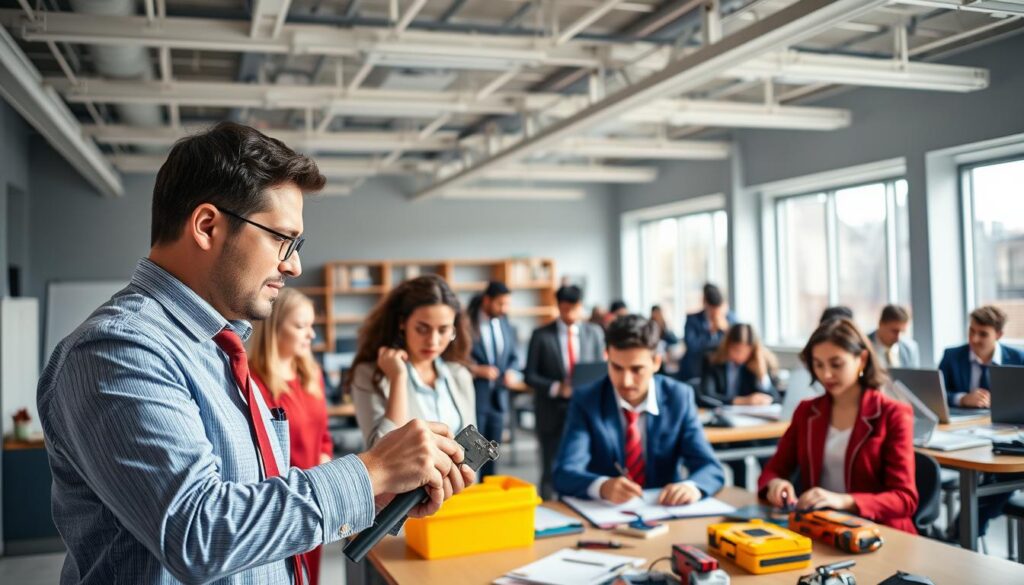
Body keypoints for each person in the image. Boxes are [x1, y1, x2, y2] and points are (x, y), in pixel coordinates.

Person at [36, 122, 473, 584]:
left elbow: (254, 513)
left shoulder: (219, 348)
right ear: (207, 226)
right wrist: (373, 470)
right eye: (281, 238)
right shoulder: (120, 350)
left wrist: (378, 492)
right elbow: (199, 534)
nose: (294, 264)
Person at [758, 319, 918, 533]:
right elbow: (773, 469)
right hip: (822, 528)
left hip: (879, 532)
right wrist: (775, 484)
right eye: (818, 364)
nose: (826, 375)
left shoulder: (893, 413)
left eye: (836, 364)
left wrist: (845, 501)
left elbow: (904, 498)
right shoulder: (807, 411)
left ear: (861, 359)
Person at [553, 315, 724, 504]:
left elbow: (711, 468)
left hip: (665, 513)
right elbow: (564, 473)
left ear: (656, 362)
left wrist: (691, 487)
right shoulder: (586, 399)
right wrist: (602, 486)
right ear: (607, 357)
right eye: (617, 368)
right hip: (606, 517)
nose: (626, 381)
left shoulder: (679, 397)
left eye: (637, 370)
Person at [249, 288, 334, 585]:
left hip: (317, 498)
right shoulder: (253, 382)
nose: (311, 335)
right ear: (274, 328)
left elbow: (323, 435)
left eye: (312, 326)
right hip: (282, 504)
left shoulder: (312, 375)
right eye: (301, 326)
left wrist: (324, 460)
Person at [350, 275, 476, 450]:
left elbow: (471, 452)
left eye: (443, 330)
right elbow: (380, 453)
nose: (433, 341)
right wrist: (398, 378)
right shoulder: (370, 375)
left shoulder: (459, 375)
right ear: (402, 323)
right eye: (422, 329)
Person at [525, 285, 605, 500]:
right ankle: (549, 510)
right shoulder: (541, 335)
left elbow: (600, 369)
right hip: (552, 410)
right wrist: (557, 387)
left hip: (585, 408)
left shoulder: (595, 333)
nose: (570, 314)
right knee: (550, 467)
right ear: (559, 307)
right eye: (565, 309)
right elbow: (530, 375)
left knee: (584, 463)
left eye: (574, 309)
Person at [697, 323, 779, 488]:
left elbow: (775, 399)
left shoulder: (756, 363)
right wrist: (741, 401)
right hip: (724, 428)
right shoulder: (712, 359)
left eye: (745, 351)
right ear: (728, 346)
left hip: (751, 429)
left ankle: (768, 491)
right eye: (736, 350)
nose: (740, 355)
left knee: (770, 450)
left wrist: (762, 375)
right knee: (738, 461)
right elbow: (705, 395)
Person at [466, 281, 520, 477]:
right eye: (500, 304)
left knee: (491, 455)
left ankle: (488, 498)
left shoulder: (505, 322)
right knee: (471, 458)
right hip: (474, 399)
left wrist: (513, 371)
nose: (504, 309)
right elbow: (453, 359)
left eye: (507, 304)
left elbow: (514, 356)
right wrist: (476, 370)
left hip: (498, 399)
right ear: (487, 300)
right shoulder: (467, 323)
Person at [939, 305, 1024, 409]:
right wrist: (962, 399)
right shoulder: (951, 356)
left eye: (983, 334)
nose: (974, 339)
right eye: (972, 331)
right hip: (962, 422)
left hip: (1006, 422)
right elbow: (935, 394)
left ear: (999, 335)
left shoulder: (1019, 359)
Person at [679, 283, 736, 381]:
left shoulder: (730, 319)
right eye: (712, 310)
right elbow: (692, 346)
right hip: (695, 371)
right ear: (705, 304)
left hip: (720, 373)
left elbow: (738, 342)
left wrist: (726, 329)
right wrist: (711, 332)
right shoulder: (692, 320)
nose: (715, 314)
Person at [868, 304, 920, 369]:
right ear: (881, 324)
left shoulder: (910, 349)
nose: (898, 338)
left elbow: (914, 377)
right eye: (895, 331)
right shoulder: (863, 345)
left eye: (902, 332)